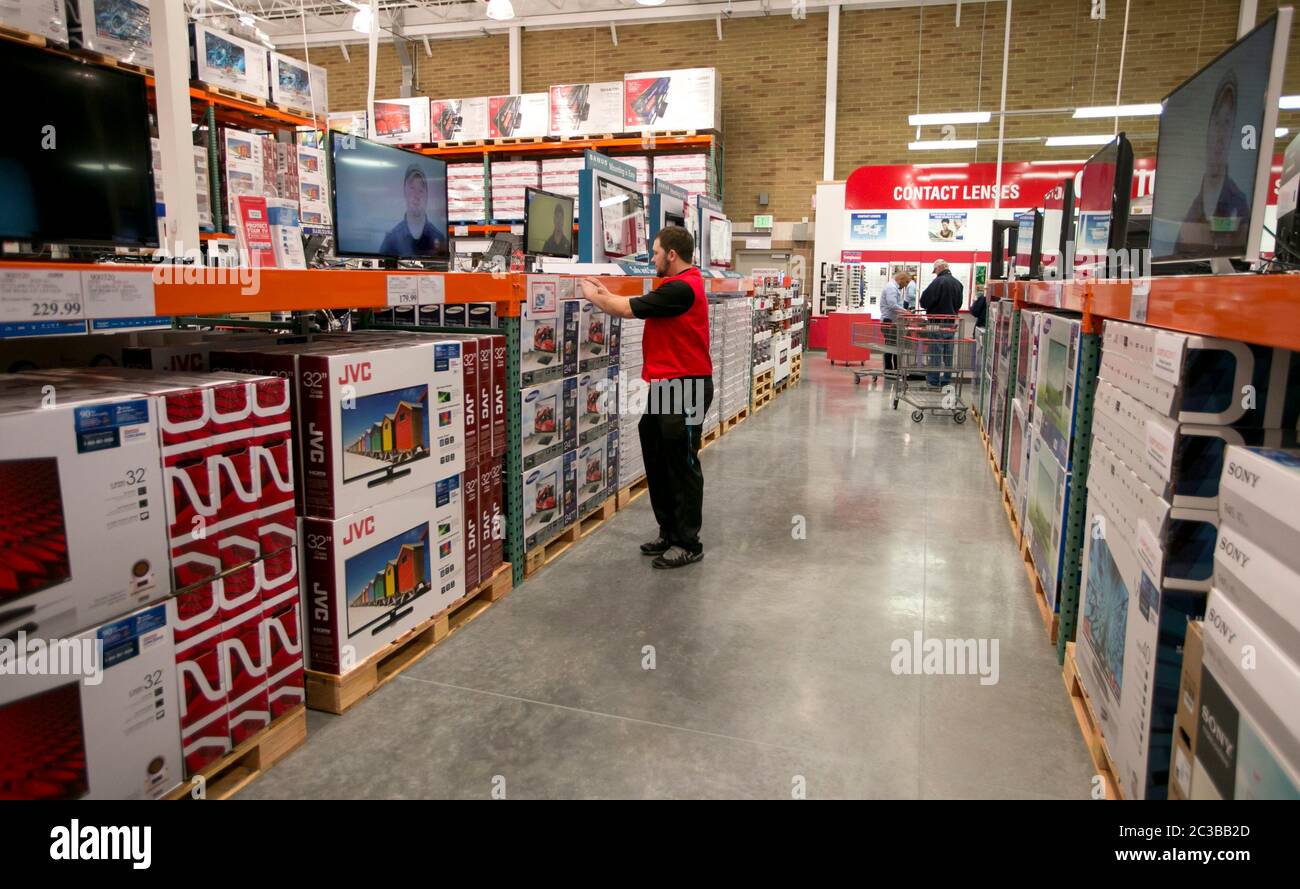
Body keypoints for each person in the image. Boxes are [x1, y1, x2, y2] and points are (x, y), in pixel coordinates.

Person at [579, 226, 713, 569]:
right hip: (668, 384)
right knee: (656, 452)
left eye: (654, 252)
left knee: (682, 464)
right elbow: (632, 303)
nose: (651, 258)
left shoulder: (683, 288)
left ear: (671, 254)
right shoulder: (673, 287)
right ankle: (668, 531)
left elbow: (625, 309)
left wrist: (591, 293)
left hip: (687, 387)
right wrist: (607, 292)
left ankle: (688, 541)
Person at [1176, 72, 1251, 255]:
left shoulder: (1238, 203)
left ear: (1233, 131)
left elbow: (1239, 268)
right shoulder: (1191, 202)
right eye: (1217, 122)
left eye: (1227, 123)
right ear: (1208, 128)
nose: (1220, 135)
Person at [379, 165, 447, 258]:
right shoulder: (391, 239)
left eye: (421, 190)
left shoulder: (439, 238)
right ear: (404, 192)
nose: (416, 196)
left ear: (427, 196)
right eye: (412, 188)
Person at [920, 258, 964, 387]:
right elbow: (959, 304)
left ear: (939, 268)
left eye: (935, 271)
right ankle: (946, 379)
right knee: (948, 353)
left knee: (935, 352)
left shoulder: (938, 282)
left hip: (936, 322)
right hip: (951, 322)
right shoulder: (958, 283)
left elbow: (925, 301)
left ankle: (934, 380)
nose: (936, 273)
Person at [879, 270, 908, 376]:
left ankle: (894, 369)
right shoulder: (891, 287)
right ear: (900, 279)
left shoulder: (893, 287)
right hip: (890, 322)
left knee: (893, 346)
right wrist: (906, 312)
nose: (905, 286)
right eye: (905, 283)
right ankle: (890, 370)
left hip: (893, 322)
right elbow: (892, 305)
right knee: (891, 346)